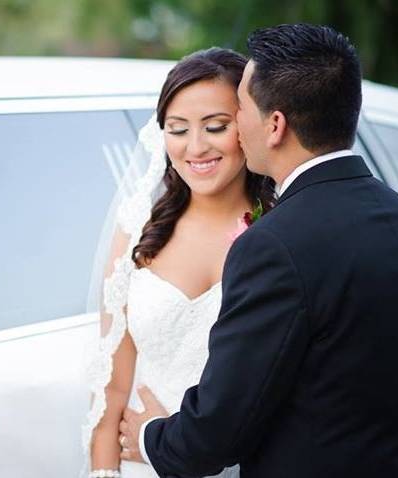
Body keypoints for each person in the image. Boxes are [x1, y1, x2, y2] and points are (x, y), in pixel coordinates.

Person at [119, 24, 398, 477]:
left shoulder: (273, 245)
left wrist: (148, 436)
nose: (238, 126)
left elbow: (216, 434)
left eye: (241, 110)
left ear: (275, 125)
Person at [83, 48, 275, 478]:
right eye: (178, 129)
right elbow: (110, 385)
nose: (196, 147)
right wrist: (104, 472)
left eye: (215, 126)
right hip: (142, 466)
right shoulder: (137, 230)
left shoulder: (282, 231)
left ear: (248, 125)